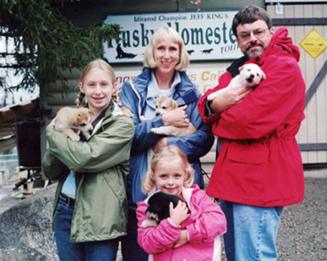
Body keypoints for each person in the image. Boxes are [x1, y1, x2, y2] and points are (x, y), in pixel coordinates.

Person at [197, 5, 306, 261]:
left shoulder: (284, 68)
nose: (252, 39)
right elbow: (203, 104)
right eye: (244, 35)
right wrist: (214, 106)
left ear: (270, 32)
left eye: (258, 31)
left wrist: (216, 116)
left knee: (254, 255)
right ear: (237, 40)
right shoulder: (241, 66)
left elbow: (248, 121)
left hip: (261, 178)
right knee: (237, 255)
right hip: (235, 176)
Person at [119, 26, 214, 260]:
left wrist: (168, 146)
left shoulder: (191, 93)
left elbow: (203, 139)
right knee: (141, 251)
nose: (167, 55)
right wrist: (163, 121)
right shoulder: (131, 90)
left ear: (180, 53)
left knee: (180, 253)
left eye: (173, 48)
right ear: (152, 51)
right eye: (161, 48)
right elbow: (126, 137)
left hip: (179, 189)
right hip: (142, 186)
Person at [42, 59, 134, 261]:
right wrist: (61, 137)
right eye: (92, 85)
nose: (98, 91)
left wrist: (53, 132)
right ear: (82, 86)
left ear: (114, 86)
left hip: (101, 215)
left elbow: (84, 159)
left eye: (104, 84)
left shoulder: (122, 123)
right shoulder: (74, 117)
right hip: (65, 209)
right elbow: (51, 171)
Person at [137, 145, 226, 261]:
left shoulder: (197, 197)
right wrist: (172, 224)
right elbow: (148, 243)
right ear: (153, 176)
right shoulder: (147, 206)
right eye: (163, 176)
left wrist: (187, 234)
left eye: (177, 176)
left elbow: (218, 221)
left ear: (185, 175)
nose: (170, 182)